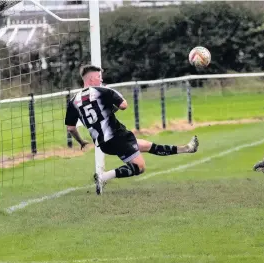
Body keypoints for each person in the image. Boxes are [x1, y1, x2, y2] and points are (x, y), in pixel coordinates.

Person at [65, 65, 199, 195]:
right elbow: (123, 105)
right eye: (99, 77)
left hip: (103, 143)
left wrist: (81, 141)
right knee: (140, 167)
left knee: (146, 145)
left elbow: (71, 128)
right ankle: (103, 177)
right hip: (116, 136)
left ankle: (186, 148)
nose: (101, 80)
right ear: (91, 79)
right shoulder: (102, 91)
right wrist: (112, 101)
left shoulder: (73, 101)